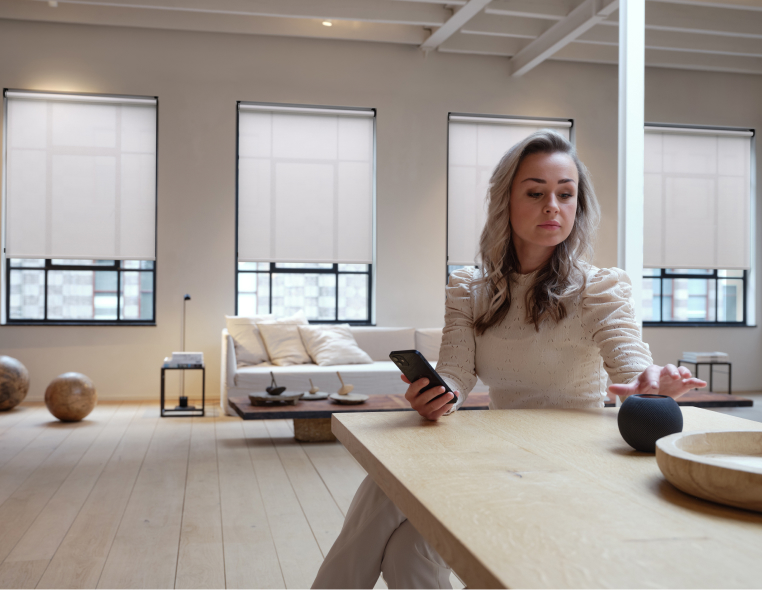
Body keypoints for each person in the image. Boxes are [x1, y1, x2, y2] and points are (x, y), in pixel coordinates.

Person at [312, 130, 706, 590]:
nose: (552, 206)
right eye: (536, 192)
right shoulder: (469, 289)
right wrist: (442, 395)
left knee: (393, 514)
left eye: (565, 194)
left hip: (570, 462)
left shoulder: (600, 288)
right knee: (406, 543)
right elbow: (456, 371)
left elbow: (630, 361)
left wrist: (651, 381)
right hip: (494, 450)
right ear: (506, 201)